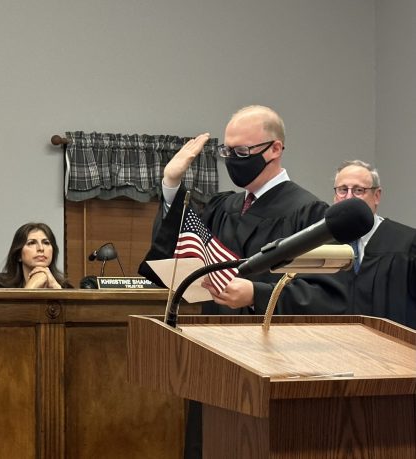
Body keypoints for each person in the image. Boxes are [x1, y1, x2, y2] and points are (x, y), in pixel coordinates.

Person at [139, 105, 346, 459]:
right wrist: (171, 184)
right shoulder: (223, 206)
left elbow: (330, 297)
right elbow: (176, 250)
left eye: (241, 152)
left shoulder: (310, 213)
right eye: (227, 151)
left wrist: (256, 292)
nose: (232, 160)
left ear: (275, 149)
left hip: (270, 366)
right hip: (213, 357)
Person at [332, 160, 416, 328]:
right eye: (343, 190)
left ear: (376, 196)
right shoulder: (322, 245)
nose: (349, 197)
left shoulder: (407, 243)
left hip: (392, 348)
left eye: (358, 190)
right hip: (335, 347)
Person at [0, 222, 71, 289]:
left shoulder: (66, 288)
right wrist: (31, 287)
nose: (41, 248)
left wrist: (56, 288)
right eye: (31, 243)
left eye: (46, 243)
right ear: (18, 255)